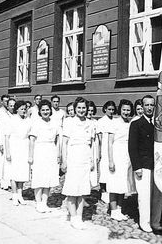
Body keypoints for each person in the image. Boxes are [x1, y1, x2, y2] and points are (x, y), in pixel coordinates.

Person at [128, 95, 162, 232]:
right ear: (142, 107)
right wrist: (137, 167)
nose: (149, 108)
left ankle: (155, 221)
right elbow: (132, 147)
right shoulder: (136, 124)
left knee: (157, 196)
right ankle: (145, 222)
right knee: (144, 196)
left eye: (152, 105)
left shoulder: (158, 124)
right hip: (143, 165)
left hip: (157, 166)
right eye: (146, 105)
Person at [61, 97, 94, 229]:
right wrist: (64, 160)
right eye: (79, 108)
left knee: (82, 190)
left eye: (84, 108)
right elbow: (64, 143)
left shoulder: (90, 123)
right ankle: (73, 217)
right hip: (73, 158)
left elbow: (91, 145)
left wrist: (91, 160)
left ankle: (79, 217)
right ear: (75, 109)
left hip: (85, 159)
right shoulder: (69, 122)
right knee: (72, 189)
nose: (81, 110)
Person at [29, 99, 60, 213]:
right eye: (43, 110)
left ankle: (44, 202)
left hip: (51, 150)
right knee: (39, 177)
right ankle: (38, 203)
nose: (45, 112)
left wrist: (58, 154)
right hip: (40, 151)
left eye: (47, 110)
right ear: (40, 111)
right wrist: (31, 156)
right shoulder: (36, 123)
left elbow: (57, 140)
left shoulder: (55, 122)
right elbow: (32, 140)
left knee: (49, 178)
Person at [106, 99, 135, 221]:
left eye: (128, 110)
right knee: (114, 183)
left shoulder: (130, 123)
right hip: (116, 154)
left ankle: (119, 209)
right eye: (124, 110)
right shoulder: (114, 123)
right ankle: (113, 210)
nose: (126, 112)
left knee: (123, 184)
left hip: (126, 156)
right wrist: (111, 161)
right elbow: (110, 143)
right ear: (120, 110)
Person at [5, 100, 31, 205]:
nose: (24, 111)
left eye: (25, 109)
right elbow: (6, 137)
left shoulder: (28, 120)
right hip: (14, 147)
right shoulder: (11, 120)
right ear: (17, 109)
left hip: (24, 147)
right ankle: (14, 195)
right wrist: (8, 152)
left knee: (22, 172)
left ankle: (20, 195)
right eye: (21, 109)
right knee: (14, 172)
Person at [0, 95, 12, 188]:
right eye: (5, 101)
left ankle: (7, 179)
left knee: (7, 160)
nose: (6, 103)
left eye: (8, 101)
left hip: (7, 137)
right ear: (1, 102)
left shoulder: (9, 112)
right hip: (0, 137)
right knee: (0, 158)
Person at [86, 100, 99, 189]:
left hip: (93, 147)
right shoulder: (84, 121)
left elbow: (97, 138)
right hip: (86, 146)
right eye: (88, 110)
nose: (90, 112)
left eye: (91, 110)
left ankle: (88, 191)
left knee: (92, 170)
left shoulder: (95, 122)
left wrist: (97, 152)